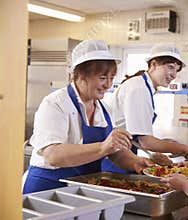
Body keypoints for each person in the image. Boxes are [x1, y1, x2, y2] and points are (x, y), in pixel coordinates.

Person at [23, 39, 151, 194]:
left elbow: (114, 152)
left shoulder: (103, 108)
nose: (108, 85)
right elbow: (53, 155)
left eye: (111, 78)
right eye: (103, 78)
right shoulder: (55, 103)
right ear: (81, 75)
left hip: (82, 188)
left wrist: (136, 162)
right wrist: (103, 146)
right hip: (48, 187)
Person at [102, 43, 188, 172]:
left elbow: (138, 136)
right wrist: (184, 148)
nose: (174, 75)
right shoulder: (138, 88)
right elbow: (146, 142)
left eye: (176, 70)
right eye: (170, 67)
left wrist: (168, 144)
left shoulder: (145, 87)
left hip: (125, 152)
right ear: (153, 64)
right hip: (116, 159)